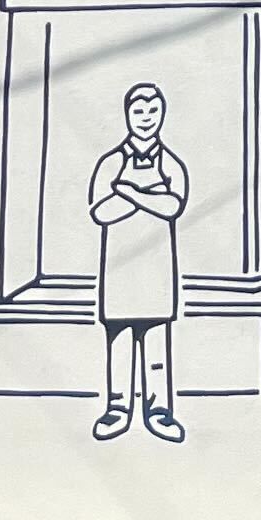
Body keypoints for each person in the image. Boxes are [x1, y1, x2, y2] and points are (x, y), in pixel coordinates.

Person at [87, 81, 188, 443]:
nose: (146, 118)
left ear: (162, 114)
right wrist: (150, 195)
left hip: (158, 263)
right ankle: (118, 407)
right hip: (120, 263)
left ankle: (159, 409)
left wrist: (128, 191)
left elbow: (174, 206)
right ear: (128, 115)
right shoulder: (111, 162)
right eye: (139, 111)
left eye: (152, 111)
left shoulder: (171, 162)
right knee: (119, 337)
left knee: (156, 337)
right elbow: (100, 212)